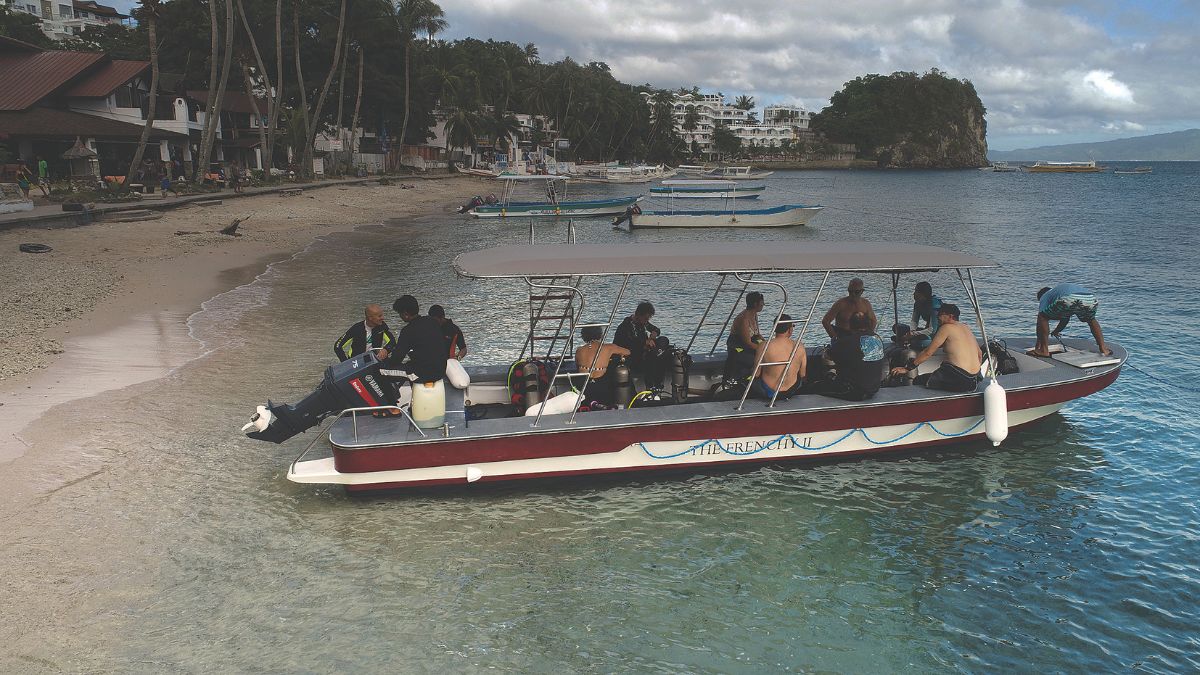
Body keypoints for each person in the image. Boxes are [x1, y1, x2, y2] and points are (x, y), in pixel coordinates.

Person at [890, 303, 983, 392]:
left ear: (950, 316)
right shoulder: (965, 327)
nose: (938, 317)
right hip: (974, 380)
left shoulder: (946, 327)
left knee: (918, 380)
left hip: (959, 379)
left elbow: (928, 352)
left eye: (940, 314)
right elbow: (979, 354)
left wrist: (907, 368)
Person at [815, 311, 886, 401]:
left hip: (852, 391)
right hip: (873, 389)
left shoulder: (846, 342)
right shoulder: (877, 338)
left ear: (851, 325)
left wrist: (835, 343)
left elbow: (828, 356)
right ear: (868, 323)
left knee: (814, 387)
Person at [1031, 283, 1111, 356]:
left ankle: (1044, 350)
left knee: (1042, 317)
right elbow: (1065, 319)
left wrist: (1038, 345)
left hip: (1069, 298)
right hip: (1090, 298)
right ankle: (1103, 349)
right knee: (1091, 320)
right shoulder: (1058, 291)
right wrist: (1056, 331)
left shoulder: (1044, 296)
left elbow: (1040, 323)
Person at [382, 295, 447, 383]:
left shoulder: (407, 331)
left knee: (380, 371)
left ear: (406, 314)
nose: (400, 316)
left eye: (400, 313)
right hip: (441, 369)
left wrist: (385, 361)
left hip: (424, 374)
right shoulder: (432, 321)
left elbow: (397, 358)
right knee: (407, 365)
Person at [614, 301, 671, 389]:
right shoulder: (626, 326)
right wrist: (645, 343)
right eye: (645, 318)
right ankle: (652, 386)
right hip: (631, 356)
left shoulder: (643, 323)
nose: (647, 321)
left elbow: (656, 329)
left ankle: (658, 353)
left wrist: (654, 333)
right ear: (639, 315)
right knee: (652, 359)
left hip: (643, 351)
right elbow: (631, 343)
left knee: (663, 340)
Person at [752, 313, 806, 400]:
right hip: (791, 391)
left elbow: (756, 373)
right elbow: (802, 374)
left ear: (774, 328)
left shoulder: (764, 346)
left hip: (769, 391)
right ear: (790, 329)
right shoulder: (799, 346)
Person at [574, 325, 631, 405]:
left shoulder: (579, 350)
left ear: (584, 335)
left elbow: (577, 366)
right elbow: (628, 352)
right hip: (601, 386)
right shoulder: (609, 348)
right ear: (600, 335)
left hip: (583, 386)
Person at [725, 291, 765, 380]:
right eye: (762, 303)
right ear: (755, 304)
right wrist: (763, 350)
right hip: (738, 346)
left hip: (750, 344)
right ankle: (748, 379)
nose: (763, 305)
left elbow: (757, 334)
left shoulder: (754, 314)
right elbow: (748, 343)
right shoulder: (743, 319)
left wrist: (767, 344)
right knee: (760, 358)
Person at [896, 281, 942, 350]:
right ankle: (908, 339)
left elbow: (932, 330)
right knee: (898, 327)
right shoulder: (917, 303)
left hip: (936, 334)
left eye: (916, 291)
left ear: (923, 294)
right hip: (925, 331)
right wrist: (912, 331)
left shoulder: (934, 305)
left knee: (921, 341)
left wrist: (913, 334)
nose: (914, 294)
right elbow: (914, 320)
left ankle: (909, 340)